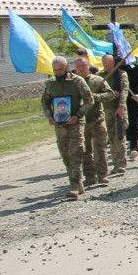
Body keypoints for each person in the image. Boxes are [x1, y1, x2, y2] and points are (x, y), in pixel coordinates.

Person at [41, 56, 94, 200]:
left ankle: (75, 184)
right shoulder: (50, 84)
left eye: (60, 70)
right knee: (65, 154)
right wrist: (49, 116)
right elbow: (45, 102)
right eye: (55, 70)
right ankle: (75, 182)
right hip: (59, 125)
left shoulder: (77, 81)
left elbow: (89, 100)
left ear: (66, 68)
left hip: (75, 123)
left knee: (75, 152)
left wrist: (78, 115)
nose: (58, 72)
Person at [74, 57, 112, 187]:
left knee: (100, 149)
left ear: (88, 66)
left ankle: (103, 175)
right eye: (78, 66)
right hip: (81, 122)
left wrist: (95, 97)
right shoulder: (73, 83)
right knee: (85, 151)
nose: (81, 68)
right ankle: (89, 176)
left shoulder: (97, 80)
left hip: (97, 119)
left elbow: (110, 94)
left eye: (83, 66)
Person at [100, 53, 129, 177]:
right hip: (106, 110)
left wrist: (121, 106)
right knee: (111, 138)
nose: (107, 67)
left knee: (119, 136)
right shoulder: (100, 76)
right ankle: (115, 163)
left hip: (119, 109)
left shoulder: (121, 74)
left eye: (109, 65)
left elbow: (124, 91)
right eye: (105, 65)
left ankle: (121, 164)